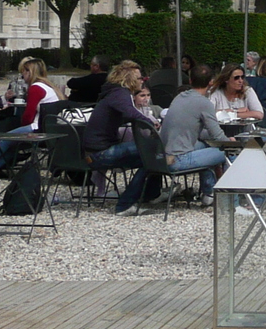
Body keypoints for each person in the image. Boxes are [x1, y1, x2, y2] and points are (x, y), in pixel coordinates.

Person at [80, 62, 159, 216]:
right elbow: (131, 113)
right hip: (99, 153)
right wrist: (151, 123)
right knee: (151, 152)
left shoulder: (113, 93)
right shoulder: (120, 94)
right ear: (129, 79)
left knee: (150, 160)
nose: (142, 80)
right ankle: (126, 204)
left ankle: (148, 196)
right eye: (139, 77)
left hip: (94, 151)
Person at [0, 57, 60, 176]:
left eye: (24, 71)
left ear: (29, 72)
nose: (22, 75)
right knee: (12, 147)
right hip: (49, 127)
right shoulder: (48, 86)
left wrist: (21, 127)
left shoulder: (35, 88)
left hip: (37, 127)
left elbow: (28, 115)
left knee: (4, 140)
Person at [157, 63, 228, 204]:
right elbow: (217, 136)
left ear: (190, 81)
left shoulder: (180, 97)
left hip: (161, 156)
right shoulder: (204, 103)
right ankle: (231, 199)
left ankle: (209, 193)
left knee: (204, 147)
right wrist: (232, 142)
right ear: (211, 83)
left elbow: (194, 130)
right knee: (226, 151)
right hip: (176, 160)